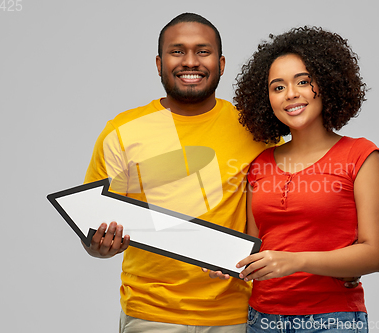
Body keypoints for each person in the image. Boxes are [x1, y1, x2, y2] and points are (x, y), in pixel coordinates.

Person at [82, 12, 275, 332]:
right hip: (150, 313)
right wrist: (98, 245)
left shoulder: (256, 130)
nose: (190, 61)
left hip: (235, 315)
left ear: (221, 63)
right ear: (158, 63)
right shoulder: (122, 130)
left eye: (202, 51)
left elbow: (286, 216)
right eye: (177, 51)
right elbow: (92, 224)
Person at [211, 26, 379, 332]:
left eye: (303, 82)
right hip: (261, 320)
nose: (291, 94)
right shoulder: (260, 164)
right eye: (277, 87)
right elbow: (256, 248)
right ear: (266, 98)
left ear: (328, 83)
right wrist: (227, 264)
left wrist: (297, 261)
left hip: (332, 321)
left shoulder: (361, 157)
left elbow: (374, 255)